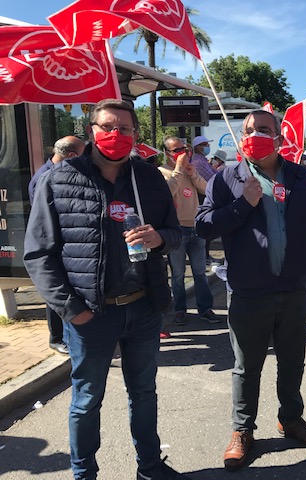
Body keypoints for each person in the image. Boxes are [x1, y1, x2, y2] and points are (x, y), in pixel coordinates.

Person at [23, 98, 186, 480]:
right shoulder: (60, 179)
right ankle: (85, 475)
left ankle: (149, 467)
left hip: (143, 308)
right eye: (108, 127)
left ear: (135, 133)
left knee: (143, 393)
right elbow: (38, 254)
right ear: (91, 131)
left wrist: (160, 238)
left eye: (124, 128)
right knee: (86, 400)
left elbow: (176, 233)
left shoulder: (148, 179)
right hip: (91, 315)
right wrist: (72, 310)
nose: (116, 134)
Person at [195, 109, 306, 471]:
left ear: (279, 139)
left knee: (292, 362)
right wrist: (244, 204)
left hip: (294, 290)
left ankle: (292, 420)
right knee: (246, 367)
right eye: (250, 130)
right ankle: (242, 430)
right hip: (249, 292)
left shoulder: (300, 176)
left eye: (264, 130)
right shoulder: (225, 180)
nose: (255, 135)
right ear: (241, 139)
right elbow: (204, 226)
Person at [28, 135, 85, 355]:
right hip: (54, 246)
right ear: (71, 155)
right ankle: (57, 338)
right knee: (56, 292)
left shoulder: (62, 173)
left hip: (67, 244)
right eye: (83, 154)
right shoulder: (45, 178)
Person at [160, 137, 221, 326]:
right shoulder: (162, 171)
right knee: (178, 274)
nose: (182, 154)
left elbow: (206, 189)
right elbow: (167, 193)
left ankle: (205, 309)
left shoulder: (189, 170)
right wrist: (179, 169)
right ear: (167, 153)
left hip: (196, 227)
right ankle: (180, 310)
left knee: (200, 272)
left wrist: (192, 173)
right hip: (176, 229)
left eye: (184, 149)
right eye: (176, 150)